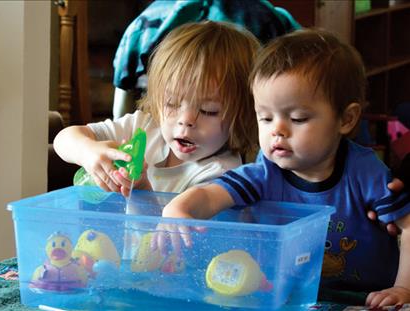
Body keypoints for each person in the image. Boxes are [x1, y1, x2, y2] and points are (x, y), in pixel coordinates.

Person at [160, 29, 410, 307]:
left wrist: (403, 288)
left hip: (364, 298)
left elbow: (409, 225)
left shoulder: (364, 172)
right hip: (286, 296)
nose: (277, 130)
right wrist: (178, 209)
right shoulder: (265, 173)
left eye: (298, 118)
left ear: (346, 119)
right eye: (265, 118)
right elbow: (210, 195)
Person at [53, 21, 260, 197]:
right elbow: (63, 139)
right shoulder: (144, 126)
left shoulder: (223, 176)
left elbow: (172, 237)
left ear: (243, 115)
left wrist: (142, 190)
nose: (185, 120)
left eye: (208, 110)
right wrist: (87, 150)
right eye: (171, 103)